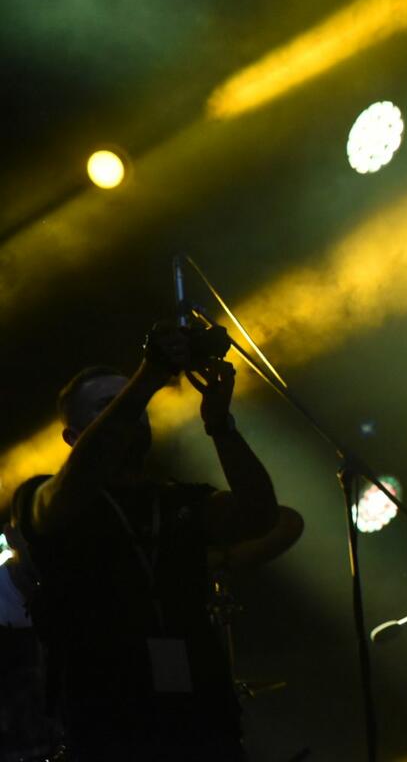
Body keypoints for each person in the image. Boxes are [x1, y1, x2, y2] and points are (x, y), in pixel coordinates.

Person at [9, 323, 278, 761]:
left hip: (203, 725)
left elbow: (260, 515)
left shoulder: (175, 499)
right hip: (109, 730)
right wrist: (147, 378)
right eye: (108, 405)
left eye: (132, 401)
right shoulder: (42, 496)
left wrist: (220, 425)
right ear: (73, 437)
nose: (131, 410)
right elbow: (68, 490)